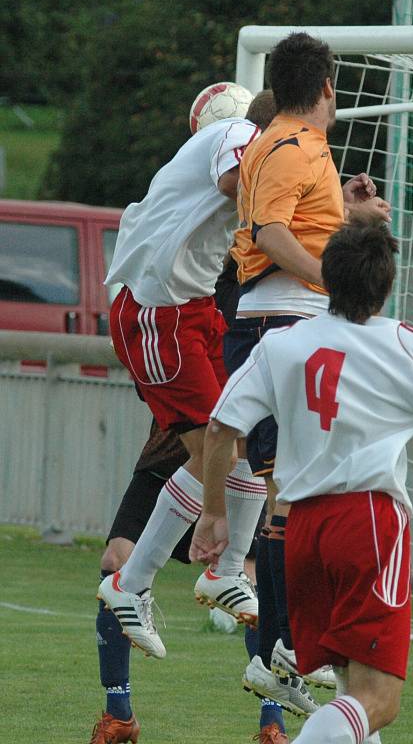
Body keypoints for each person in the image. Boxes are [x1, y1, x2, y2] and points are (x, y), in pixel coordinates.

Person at [190, 218, 413, 744]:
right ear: (388, 285)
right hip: (368, 522)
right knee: (379, 700)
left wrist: (213, 514)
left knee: (350, 689)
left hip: (299, 530)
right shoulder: (404, 343)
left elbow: (219, 427)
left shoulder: (284, 342)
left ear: (324, 276)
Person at [193, 32, 391, 723]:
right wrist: (334, 281)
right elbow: (272, 233)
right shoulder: (287, 144)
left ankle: (279, 654)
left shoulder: (288, 146)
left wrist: (348, 212)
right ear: (328, 87)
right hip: (282, 323)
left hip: (283, 323)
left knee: (290, 491)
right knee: (290, 496)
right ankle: (275, 650)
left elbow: (295, 221)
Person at [97, 89, 277, 660]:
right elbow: (235, 186)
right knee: (212, 452)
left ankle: (222, 572)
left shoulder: (233, 144)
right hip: (160, 315)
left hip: (190, 310)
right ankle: (134, 583)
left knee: (242, 440)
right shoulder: (239, 137)